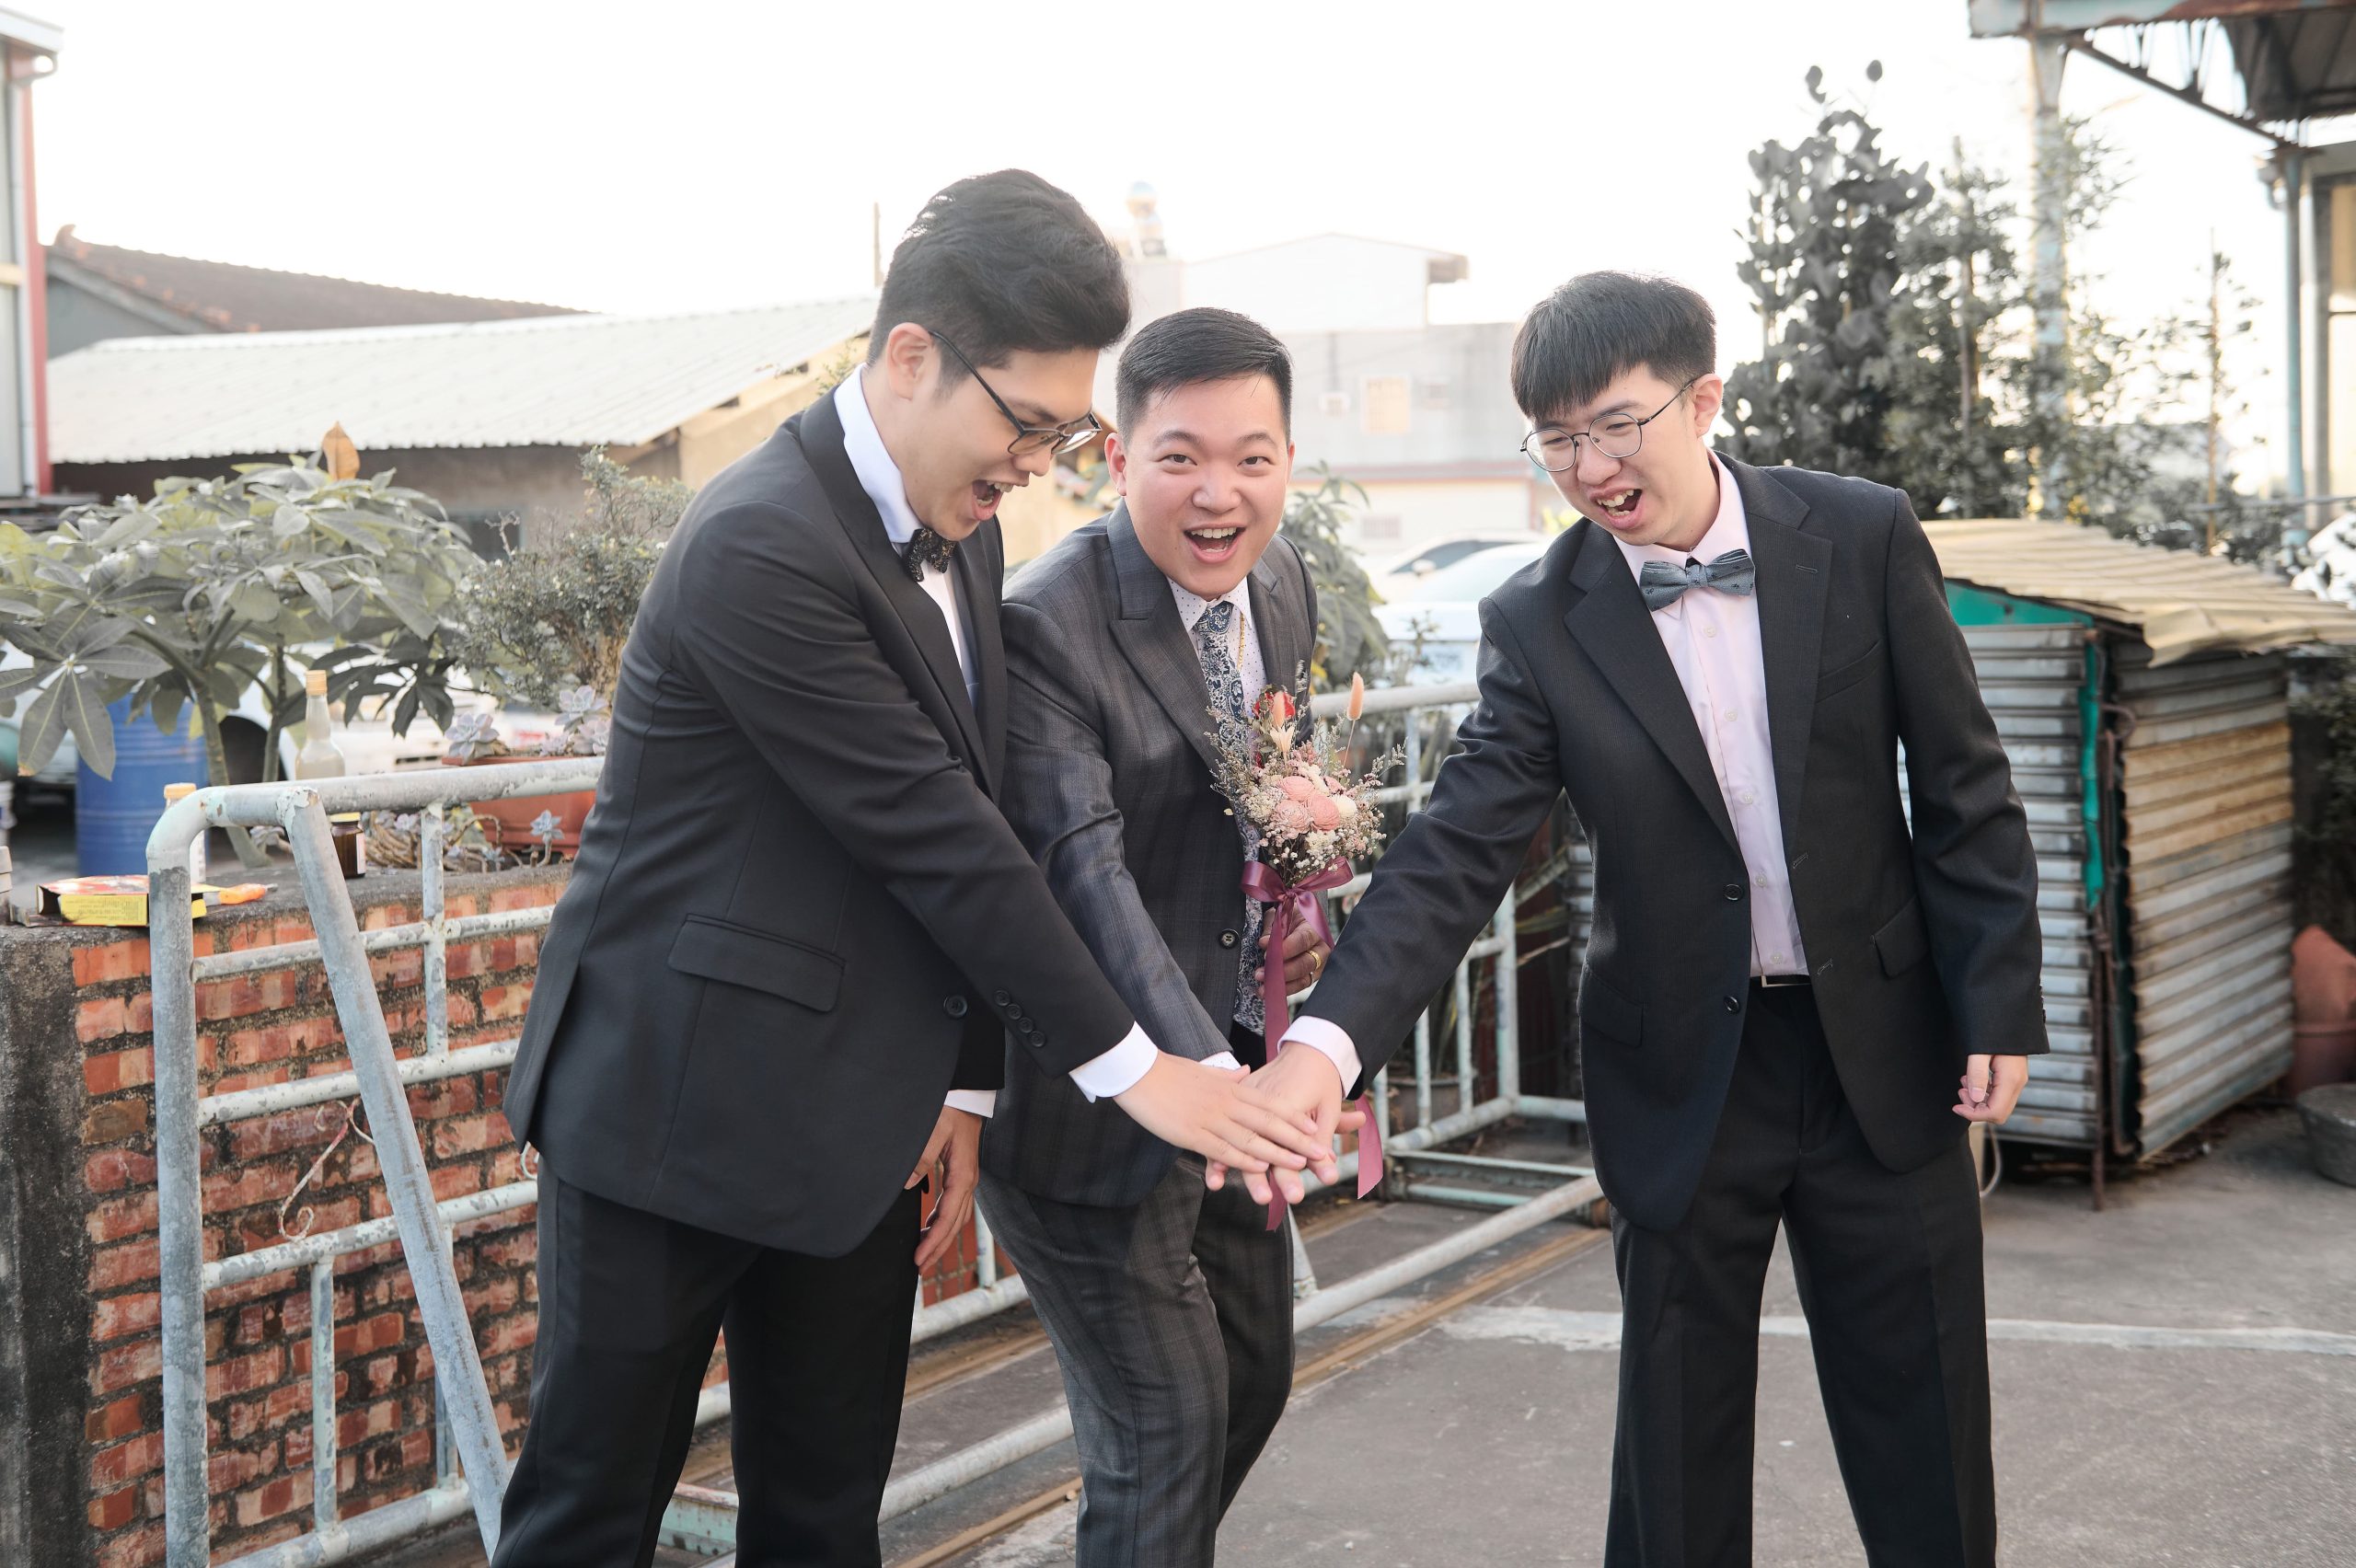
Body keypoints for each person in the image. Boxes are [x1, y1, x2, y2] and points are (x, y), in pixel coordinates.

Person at [491, 174, 1329, 1568]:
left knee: (826, 1517)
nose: (1040, 464)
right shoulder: (760, 539)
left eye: (1064, 434)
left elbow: (975, 808)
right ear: (910, 357)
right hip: (673, 1102)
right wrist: (1142, 1072)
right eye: (1027, 424)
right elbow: (939, 835)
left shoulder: (967, 520)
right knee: (590, 1514)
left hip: (862, 1117)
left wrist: (962, 1083)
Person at [1236, 271, 2047, 1566]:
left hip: (1884, 1049)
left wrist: (1996, 997)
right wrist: (1324, 1050)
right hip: (1681, 1071)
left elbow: (1964, 784)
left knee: (1927, 1426)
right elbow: (1455, 853)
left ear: (1704, 399)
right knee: (1675, 1446)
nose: (1592, 468)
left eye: (1618, 425)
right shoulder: (1538, 619)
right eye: (1557, 440)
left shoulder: (1862, 532)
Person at [979, 307, 1345, 1567]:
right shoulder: (1047, 623)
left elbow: (1269, 793)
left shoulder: (1280, 586)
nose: (1217, 493)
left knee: (1253, 1381)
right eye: (1180, 456)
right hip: (1095, 1104)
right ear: (1118, 456)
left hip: (1239, 1068)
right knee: (1168, 1426)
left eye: (1252, 457)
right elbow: (1082, 874)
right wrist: (1208, 1088)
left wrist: (1301, 933)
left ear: (1288, 462)